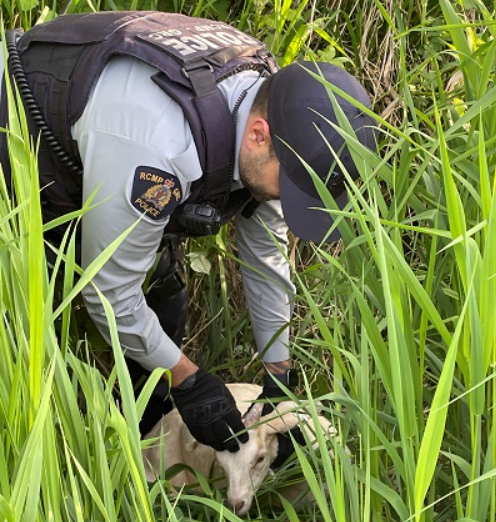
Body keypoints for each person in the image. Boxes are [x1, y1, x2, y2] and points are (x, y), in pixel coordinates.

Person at [0, 12, 377, 457]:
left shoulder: (275, 107)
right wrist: (187, 378)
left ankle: (144, 436)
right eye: (292, 186)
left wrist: (279, 375)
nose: (285, 198)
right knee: (27, 321)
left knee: (166, 300)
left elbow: (265, 254)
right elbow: (109, 293)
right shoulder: (159, 145)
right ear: (259, 136)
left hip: (104, 154)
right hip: (23, 143)